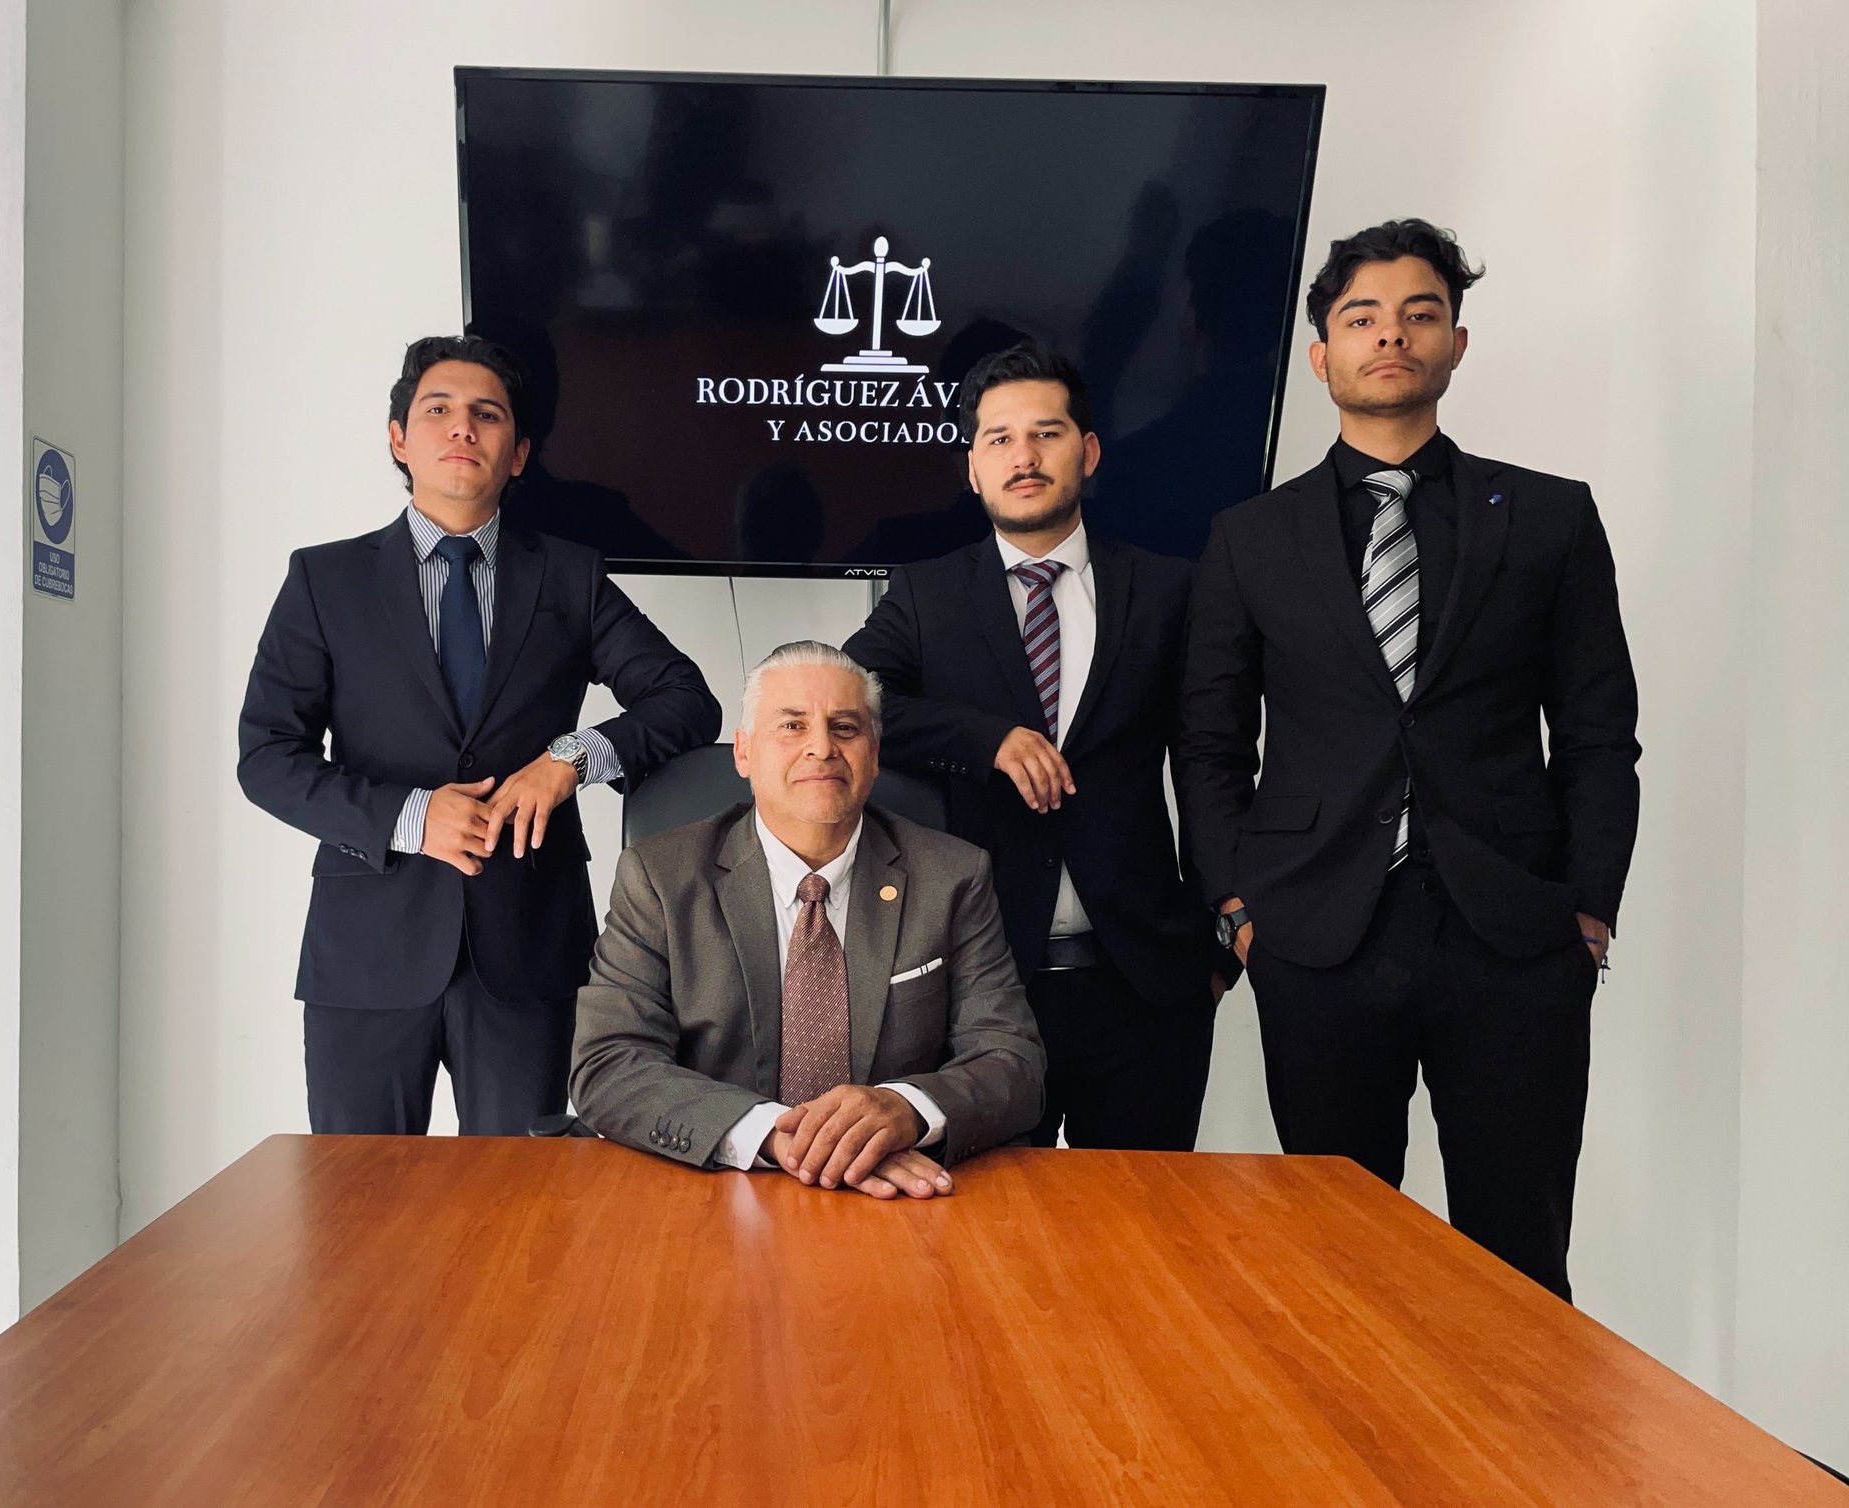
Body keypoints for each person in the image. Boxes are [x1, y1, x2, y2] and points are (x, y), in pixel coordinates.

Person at [1177, 220, 1641, 1299]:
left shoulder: (1550, 516)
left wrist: (1588, 909)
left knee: (1519, 1259)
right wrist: (1239, 906)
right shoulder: (1250, 536)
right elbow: (1209, 742)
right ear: (1321, 356)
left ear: (1456, 343)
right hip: (1317, 934)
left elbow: (1597, 732)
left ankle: (1515, 1421)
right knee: (1338, 1264)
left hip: (1514, 934)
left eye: (1419, 314)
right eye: (1363, 318)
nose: (1392, 335)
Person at [238, 334, 720, 1136]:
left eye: (487, 415)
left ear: (519, 453)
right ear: (399, 439)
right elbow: (267, 758)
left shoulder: (570, 576)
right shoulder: (326, 580)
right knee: (361, 1199)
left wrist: (571, 759)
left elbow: (685, 699)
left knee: (521, 1201)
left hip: (528, 947)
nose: (463, 427)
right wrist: (411, 815)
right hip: (367, 950)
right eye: (439, 410)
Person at [844, 342, 1230, 1153]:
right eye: (999, 439)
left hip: (1144, 982)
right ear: (973, 469)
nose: (1023, 457)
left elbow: (1210, 757)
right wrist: (984, 738)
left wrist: (1219, 932)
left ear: (1087, 453)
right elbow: (853, 704)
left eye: (1046, 434)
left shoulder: (1169, 588)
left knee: (1140, 1222)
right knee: (985, 1224)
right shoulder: (925, 593)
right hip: (980, 981)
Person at [571, 642, 1045, 1197]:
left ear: (874, 754)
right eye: (792, 725)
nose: (821, 747)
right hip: (717, 1188)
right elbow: (609, 1060)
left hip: (902, 1198)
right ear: (744, 752)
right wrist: (775, 1136)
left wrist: (907, 1109)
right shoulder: (660, 877)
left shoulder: (953, 876)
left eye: (845, 727)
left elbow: (1012, 1060)